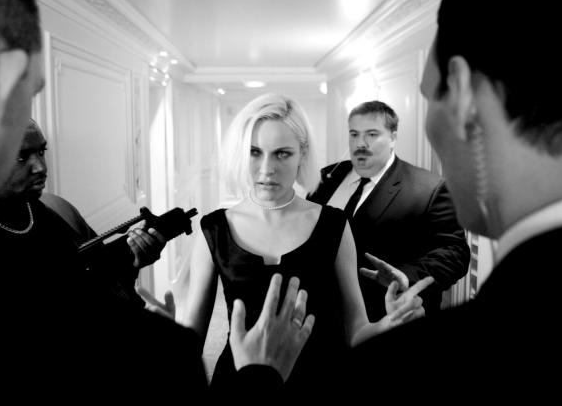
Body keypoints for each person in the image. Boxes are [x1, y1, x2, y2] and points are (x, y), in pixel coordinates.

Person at [0, 0, 315, 401]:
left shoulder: (54, 212)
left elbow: (90, 285)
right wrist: (260, 376)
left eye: (40, 149)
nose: (38, 165)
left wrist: (133, 268)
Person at [347, 0, 562, 400]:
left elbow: (450, 252)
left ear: (463, 93)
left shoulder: (419, 369)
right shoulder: (335, 176)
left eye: (430, 94)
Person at [178, 93, 433, 396]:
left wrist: (389, 325)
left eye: (282, 154)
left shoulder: (333, 225)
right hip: (241, 388)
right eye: (254, 152)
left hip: (319, 386)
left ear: (302, 154)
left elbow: (357, 331)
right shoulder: (214, 229)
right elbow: (189, 343)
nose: (266, 168)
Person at [308, 100, 470, 320]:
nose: (360, 143)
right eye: (354, 134)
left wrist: (405, 277)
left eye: (372, 134)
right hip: (322, 316)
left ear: (393, 138)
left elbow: (454, 254)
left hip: (385, 315)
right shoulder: (326, 178)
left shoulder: (430, 188)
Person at [0, 119, 161, 310]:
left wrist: (133, 261)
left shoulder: (56, 210)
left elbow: (99, 278)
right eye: (21, 157)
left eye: (41, 152)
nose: (41, 168)